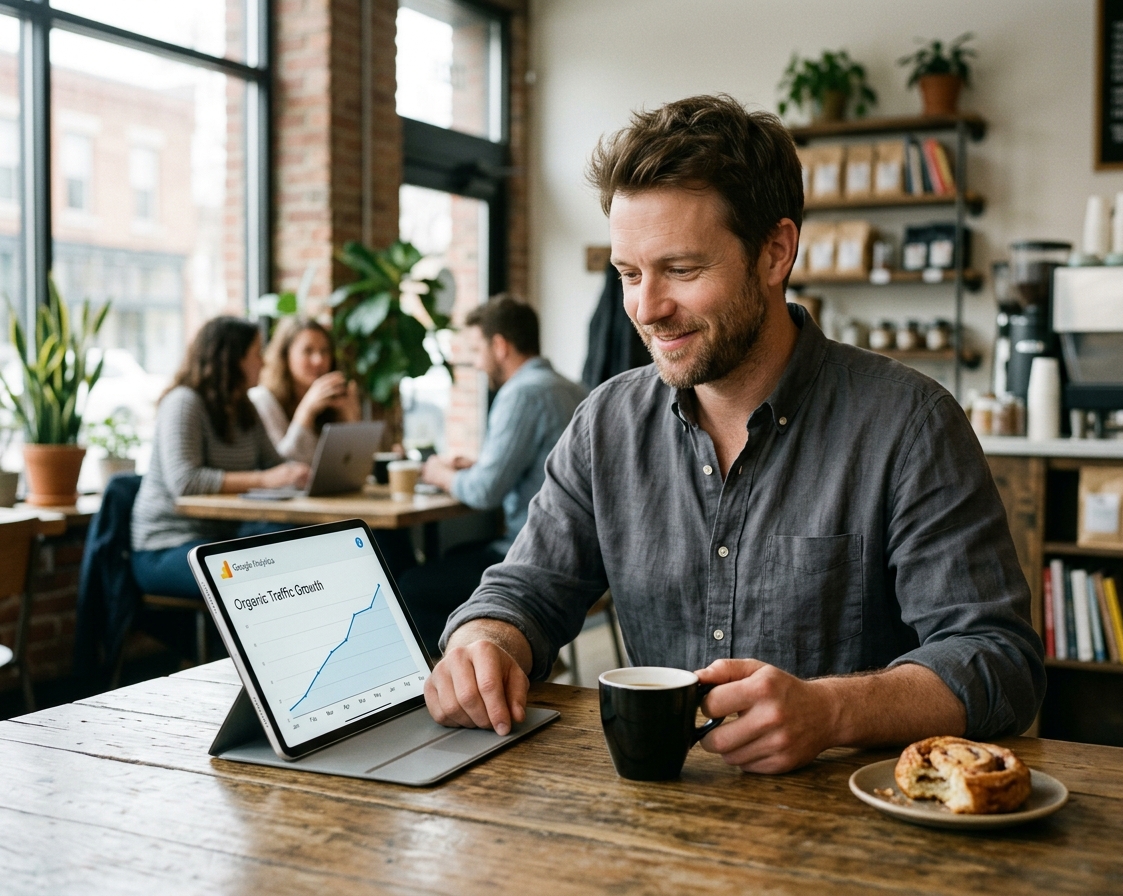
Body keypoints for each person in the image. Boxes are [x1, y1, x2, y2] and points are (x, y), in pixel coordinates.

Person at [424, 95, 1045, 774]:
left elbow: (997, 658)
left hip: (859, 835)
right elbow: (526, 592)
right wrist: (484, 642)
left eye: (682, 270)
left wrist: (831, 710)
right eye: (629, 274)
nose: (647, 308)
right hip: (657, 822)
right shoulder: (606, 425)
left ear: (775, 251)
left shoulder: (909, 424)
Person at [397, 295, 588, 652]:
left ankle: (482, 670)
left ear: (499, 346)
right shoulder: (571, 388)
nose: (475, 362)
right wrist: (479, 465)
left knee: (410, 586)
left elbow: (485, 491)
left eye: (475, 348)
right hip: (580, 558)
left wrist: (438, 473)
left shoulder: (522, 394)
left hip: (532, 553)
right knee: (452, 560)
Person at [130, 317, 310, 599]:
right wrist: (265, 480)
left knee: (296, 550)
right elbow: (186, 481)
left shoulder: (245, 407)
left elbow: (275, 465)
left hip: (222, 540)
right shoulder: (183, 402)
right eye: (256, 354)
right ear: (231, 359)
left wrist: (296, 473)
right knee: (257, 582)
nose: (263, 363)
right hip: (168, 546)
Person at [250, 316, 360, 464]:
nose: (318, 360)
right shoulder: (263, 399)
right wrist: (306, 410)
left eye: (324, 351)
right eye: (307, 351)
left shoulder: (331, 404)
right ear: (285, 355)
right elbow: (281, 466)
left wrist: (349, 417)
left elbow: (351, 465)